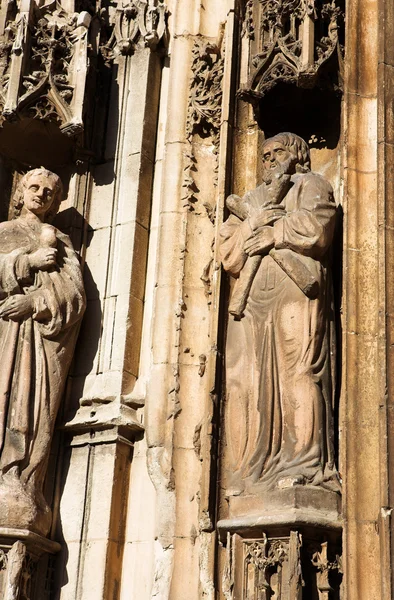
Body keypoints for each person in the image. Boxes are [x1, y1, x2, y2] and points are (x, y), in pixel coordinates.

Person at [220, 132, 339, 492]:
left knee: (298, 371)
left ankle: (304, 464)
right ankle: (250, 469)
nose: (269, 159)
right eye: (265, 154)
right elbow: (227, 254)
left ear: (298, 156)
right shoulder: (251, 200)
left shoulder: (310, 183)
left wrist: (276, 233)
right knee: (247, 382)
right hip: (252, 296)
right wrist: (253, 224)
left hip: (296, 291)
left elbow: (319, 228)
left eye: (278, 152)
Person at [0, 168, 86, 535]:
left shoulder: (62, 243)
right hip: (3, 332)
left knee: (25, 409)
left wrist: (35, 303)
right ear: (21, 190)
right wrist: (26, 262)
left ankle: (15, 477)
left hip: (34, 342)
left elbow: (75, 296)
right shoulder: (4, 233)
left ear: (57, 201)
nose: (40, 195)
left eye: (49, 192)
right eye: (34, 188)